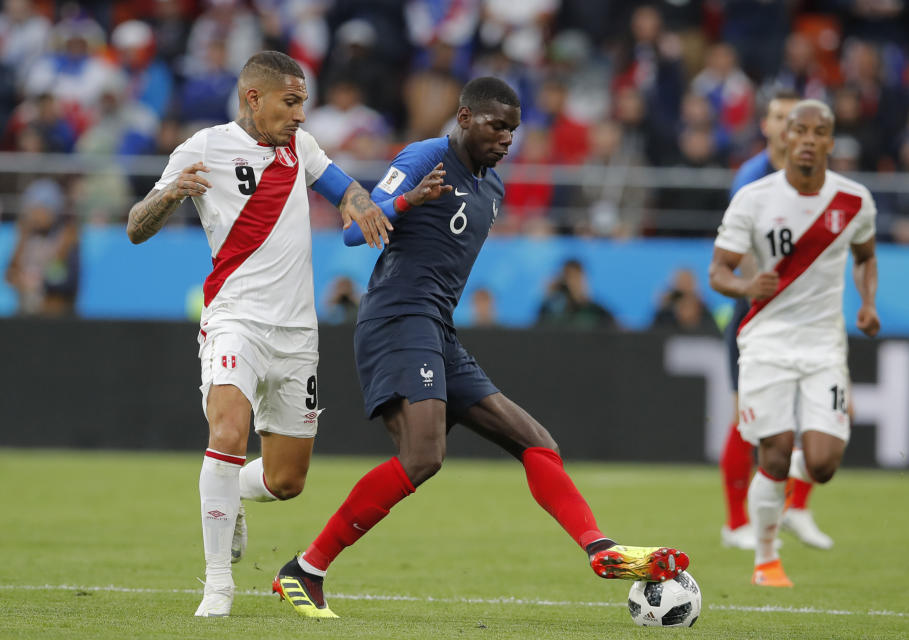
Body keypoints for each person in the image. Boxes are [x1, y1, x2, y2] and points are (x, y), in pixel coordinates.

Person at [271, 77, 689, 619]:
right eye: (497, 126)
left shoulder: (493, 189)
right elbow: (356, 232)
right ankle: (306, 570)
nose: (507, 139)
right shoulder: (426, 157)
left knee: (537, 443)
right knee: (424, 456)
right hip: (397, 318)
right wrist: (408, 198)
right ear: (465, 118)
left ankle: (600, 549)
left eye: (514, 130)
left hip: (436, 330)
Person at [125, 50, 391, 618]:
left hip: (297, 333)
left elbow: (346, 189)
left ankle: (230, 494)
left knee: (286, 481)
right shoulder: (204, 147)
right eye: (291, 102)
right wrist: (171, 195)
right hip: (235, 319)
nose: (300, 115)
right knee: (228, 431)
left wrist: (361, 203)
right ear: (254, 97)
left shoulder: (303, 147)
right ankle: (217, 585)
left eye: (303, 103)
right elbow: (134, 226)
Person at [709, 99, 880, 587]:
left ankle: (790, 509)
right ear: (784, 136)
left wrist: (867, 302)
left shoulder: (854, 200)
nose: (807, 139)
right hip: (766, 341)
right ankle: (766, 558)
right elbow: (718, 270)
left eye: (818, 131)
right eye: (798, 129)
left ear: (830, 141)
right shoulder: (754, 197)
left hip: (825, 344)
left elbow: (866, 256)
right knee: (776, 453)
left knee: (823, 463)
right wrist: (746, 287)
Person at [718, 89, 836, 553]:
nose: (792, 128)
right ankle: (735, 523)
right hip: (759, 317)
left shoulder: (815, 179)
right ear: (768, 126)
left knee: (824, 411)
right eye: (782, 118)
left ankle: (796, 508)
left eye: (799, 120)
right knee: (748, 418)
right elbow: (741, 252)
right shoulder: (752, 181)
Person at [4, 178, 79, 316]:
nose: (35, 214)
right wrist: (22, 239)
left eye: (40, 209)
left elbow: (66, 282)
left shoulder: (66, 237)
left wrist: (39, 282)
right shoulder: (25, 235)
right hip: (26, 313)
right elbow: (10, 275)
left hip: (53, 315)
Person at [536, 258, 617, 330]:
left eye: (577, 278)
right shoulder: (552, 310)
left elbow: (616, 329)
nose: (573, 283)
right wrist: (549, 298)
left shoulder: (595, 311)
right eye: (569, 278)